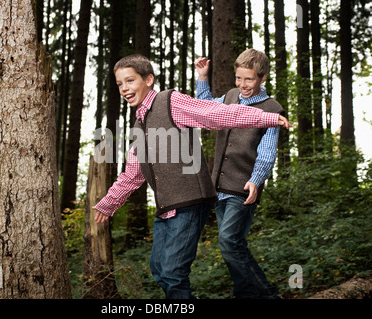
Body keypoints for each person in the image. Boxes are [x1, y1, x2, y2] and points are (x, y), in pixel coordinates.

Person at [94, 54, 291, 299]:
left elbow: (216, 114)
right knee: (159, 269)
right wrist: (110, 202)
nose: (125, 88)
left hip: (189, 201)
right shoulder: (139, 124)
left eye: (130, 81)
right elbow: (133, 173)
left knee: (174, 273)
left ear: (149, 80)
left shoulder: (170, 102)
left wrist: (266, 117)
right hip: (166, 206)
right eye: (120, 84)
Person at [194, 48, 283, 299]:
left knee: (229, 242)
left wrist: (256, 180)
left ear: (262, 78)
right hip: (219, 187)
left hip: (243, 188)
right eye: (239, 78)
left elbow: (266, 152)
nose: (242, 85)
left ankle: (265, 295)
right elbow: (205, 109)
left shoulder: (271, 109)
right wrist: (202, 77)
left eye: (249, 79)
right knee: (234, 245)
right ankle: (249, 293)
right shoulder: (231, 96)